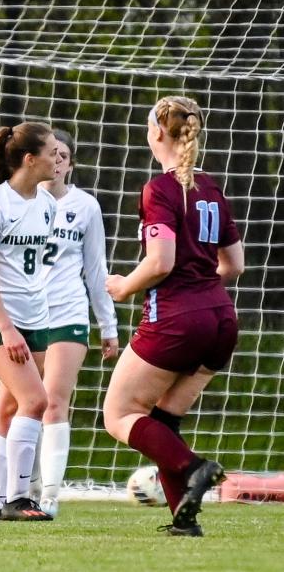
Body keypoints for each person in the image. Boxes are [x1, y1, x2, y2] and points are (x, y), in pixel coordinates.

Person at [103, 95, 244, 537]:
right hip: (221, 318)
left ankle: (196, 467)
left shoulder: (160, 188)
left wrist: (124, 286)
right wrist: (201, 287)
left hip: (178, 318)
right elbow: (234, 265)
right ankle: (184, 519)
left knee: (119, 414)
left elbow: (160, 262)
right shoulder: (211, 187)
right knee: (162, 421)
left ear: (157, 132)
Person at [0, 122, 59, 521]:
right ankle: (20, 499)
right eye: (52, 151)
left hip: (36, 317)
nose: (59, 158)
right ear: (29, 159)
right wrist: (6, 329)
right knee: (36, 401)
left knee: (8, 411)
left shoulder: (47, 204)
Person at [32, 129, 119, 517]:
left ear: (70, 162)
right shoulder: (17, 202)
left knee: (53, 402)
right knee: (24, 404)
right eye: (51, 153)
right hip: (24, 315)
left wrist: (108, 325)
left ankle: (49, 496)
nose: (57, 160)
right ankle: (21, 489)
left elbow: (95, 268)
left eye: (63, 154)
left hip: (68, 313)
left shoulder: (86, 206)